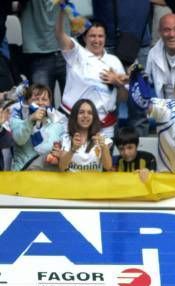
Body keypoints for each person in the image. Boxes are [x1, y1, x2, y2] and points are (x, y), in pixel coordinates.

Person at [54, 10, 128, 138]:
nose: (97, 40)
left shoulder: (114, 61)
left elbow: (123, 98)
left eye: (101, 36)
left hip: (104, 126)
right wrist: (61, 12)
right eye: (92, 36)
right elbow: (59, 34)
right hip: (73, 120)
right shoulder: (76, 54)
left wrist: (118, 83)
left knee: (104, 158)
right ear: (84, 38)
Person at [9, 83, 66, 171]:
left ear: (50, 103)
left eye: (44, 99)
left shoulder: (58, 122)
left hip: (49, 175)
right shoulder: (17, 118)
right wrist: (30, 120)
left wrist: (59, 153)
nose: (40, 103)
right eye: (35, 99)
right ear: (27, 102)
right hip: (23, 174)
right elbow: (19, 139)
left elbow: (66, 148)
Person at [58, 99, 114, 172]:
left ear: (94, 117)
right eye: (81, 112)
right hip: (72, 183)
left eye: (90, 113)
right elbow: (62, 168)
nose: (85, 116)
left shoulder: (101, 137)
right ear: (75, 116)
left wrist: (103, 147)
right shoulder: (67, 137)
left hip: (95, 183)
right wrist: (73, 149)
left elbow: (108, 167)